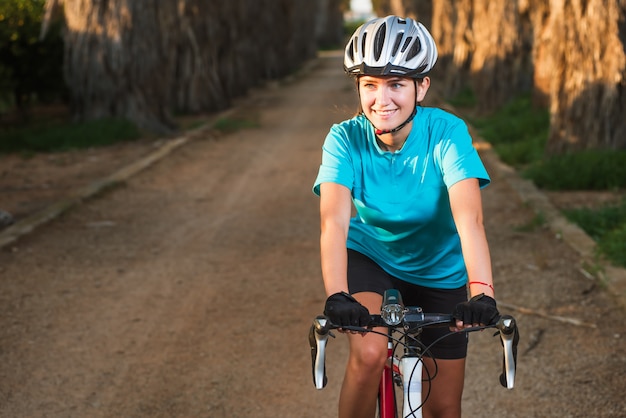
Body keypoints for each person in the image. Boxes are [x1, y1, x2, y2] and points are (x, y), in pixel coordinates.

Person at [312, 15, 500, 418]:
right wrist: (337, 294)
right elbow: (334, 223)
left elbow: (470, 222)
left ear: (422, 86)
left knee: (443, 410)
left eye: (396, 84)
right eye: (370, 85)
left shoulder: (448, 133)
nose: (382, 100)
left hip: (439, 268)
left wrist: (482, 291)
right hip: (370, 257)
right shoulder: (343, 139)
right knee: (369, 351)